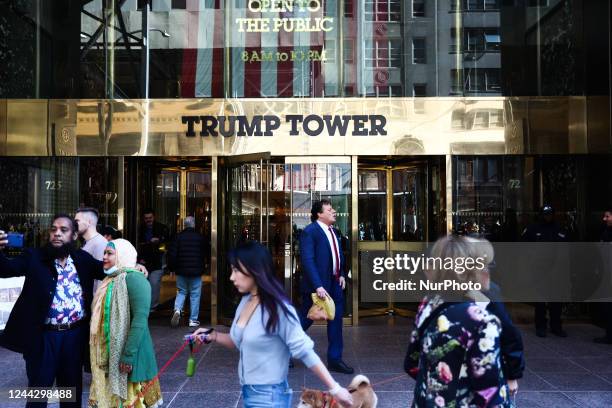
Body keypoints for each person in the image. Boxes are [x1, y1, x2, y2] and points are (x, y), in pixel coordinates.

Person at [191, 241, 353, 408]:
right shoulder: (246, 300)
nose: (232, 277)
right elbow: (238, 340)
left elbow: (305, 352)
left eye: (236, 270)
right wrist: (213, 336)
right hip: (250, 391)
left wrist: (335, 389)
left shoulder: (279, 309)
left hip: (269, 397)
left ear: (254, 270)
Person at [0, 215, 106, 408]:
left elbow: (107, 270)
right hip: (43, 338)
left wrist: (136, 266)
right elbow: (6, 268)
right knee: (39, 393)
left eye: (63, 230)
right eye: (53, 229)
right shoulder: (34, 257)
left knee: (70, 393)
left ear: (74, 235)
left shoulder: (82, 259)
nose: (57, 233)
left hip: (74, 336)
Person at [404, 235, 513, 408]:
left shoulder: (427, 305)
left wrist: (437, 386)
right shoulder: (482, 320)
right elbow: (489, 392)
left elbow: (411, 363)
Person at [88, 239, 162, 408]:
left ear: (122, 256)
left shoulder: (135, 280)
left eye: (110, 254)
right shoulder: (111, 279)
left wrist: (128, 355)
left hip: (130, 357)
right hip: (110, 355)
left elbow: (140, 320)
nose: (104, 257)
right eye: (104, 253)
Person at [298, 200, 353, 374]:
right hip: (318, 286)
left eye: (333, 208)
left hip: (335, 282)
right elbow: (308, 260)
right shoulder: (310, 232)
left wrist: (342, 274)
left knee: (336, 321)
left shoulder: (334, 232)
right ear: (319, 214)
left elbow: (338, 256)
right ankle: (280, 350)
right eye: (330, 209)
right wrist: (318, 285)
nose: (334, 211)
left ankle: (335, 359)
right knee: (305, 319)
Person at [521, 205, 568, 337]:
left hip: (557, 270)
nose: (548, 216)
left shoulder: (559, 229)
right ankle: (540, 326)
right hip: (539, 270)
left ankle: (556, 326)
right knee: (540, 301)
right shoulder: (533, 229)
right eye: (545, 214)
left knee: (556, 300)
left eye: (550, 214)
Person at [167, 216, 208, 328]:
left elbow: (172, 255)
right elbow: (205, 253)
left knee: (181, 292)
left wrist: (172, 269)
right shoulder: (200, 237)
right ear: (194, 225)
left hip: (181, 271)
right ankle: (193, 320)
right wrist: (205, 267)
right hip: (196, 271)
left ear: (184, 225)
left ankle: (177, 310)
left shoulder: (178, 237)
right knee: (195, 295)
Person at [138, 209, 169, 311]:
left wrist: (159, 242)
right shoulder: (140, 229)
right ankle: (145, 306)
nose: (148, 220)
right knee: (143, 286)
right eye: (146, 218)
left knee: (154, 285)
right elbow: (138, 244)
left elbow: (166, 244)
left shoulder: (161, 228)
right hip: (143, 261)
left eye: (150, 218)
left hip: (156, 261)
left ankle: (152, 307)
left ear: (154, 217)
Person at [75, 207, 108, 295]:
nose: (74, 224)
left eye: (77, 221)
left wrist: (95, 305)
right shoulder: (87, 242)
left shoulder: (100, 243)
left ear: (89, 222)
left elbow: (101, 278)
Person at [594, 208, 612, 344]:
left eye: (607, 216)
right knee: (606, 306)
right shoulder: (605, 232)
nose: (604, 219)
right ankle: (609, 334)